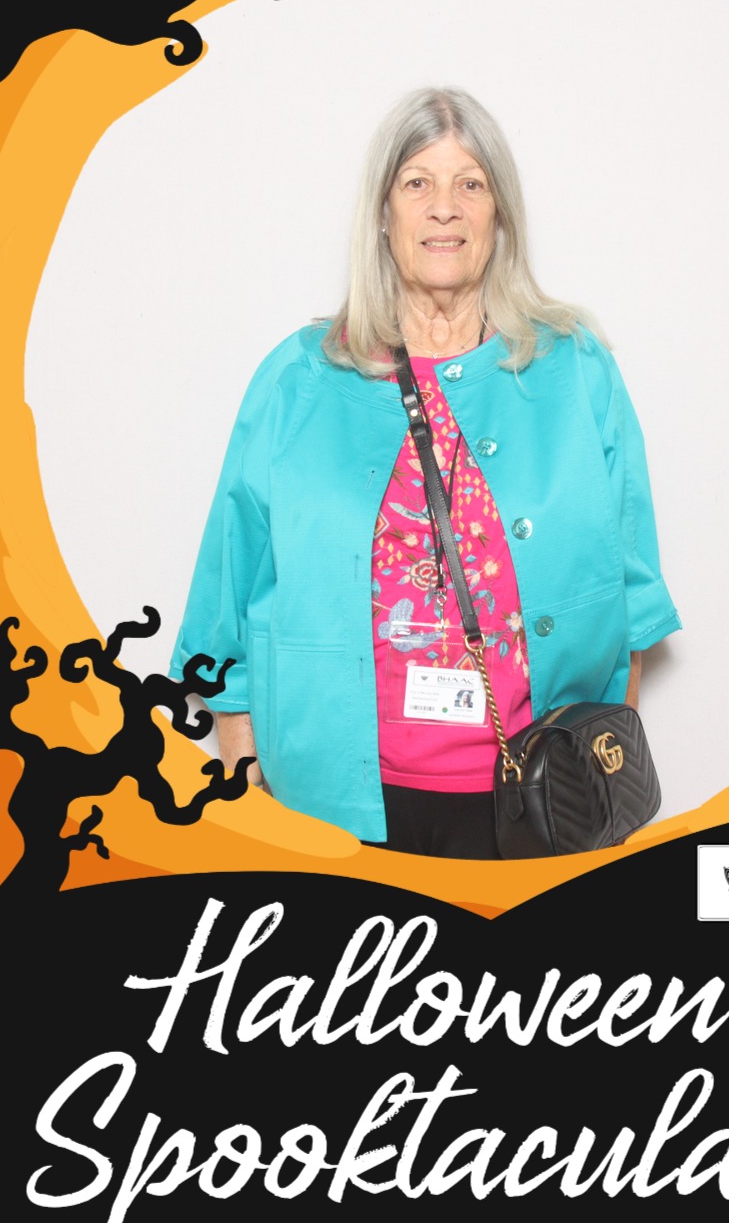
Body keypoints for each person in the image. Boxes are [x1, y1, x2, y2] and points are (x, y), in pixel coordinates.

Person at [171, 87, 681, 859]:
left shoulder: (577, 369)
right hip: (332, 808)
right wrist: (252, 804)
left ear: (499, 213)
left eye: (470, 182)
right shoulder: (297, 381)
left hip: (537, 804)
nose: (445, 207)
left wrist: (595, 785)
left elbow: (632, 604)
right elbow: (225, 615)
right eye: (417, 182)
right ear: (384, 213)